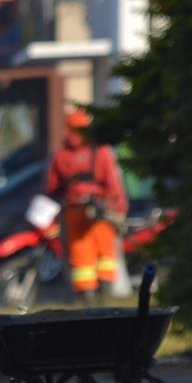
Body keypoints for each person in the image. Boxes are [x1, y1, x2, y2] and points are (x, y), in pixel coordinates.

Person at [45, 109, 128, 304]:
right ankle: (104, 301)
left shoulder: (60, 156)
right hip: (101, 211)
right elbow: (114, 184)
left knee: (81, 258)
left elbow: (51, 188)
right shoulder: (102, 152)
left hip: (73, 211)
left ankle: (88, 304)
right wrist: (119, 209)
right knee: (106, 254)